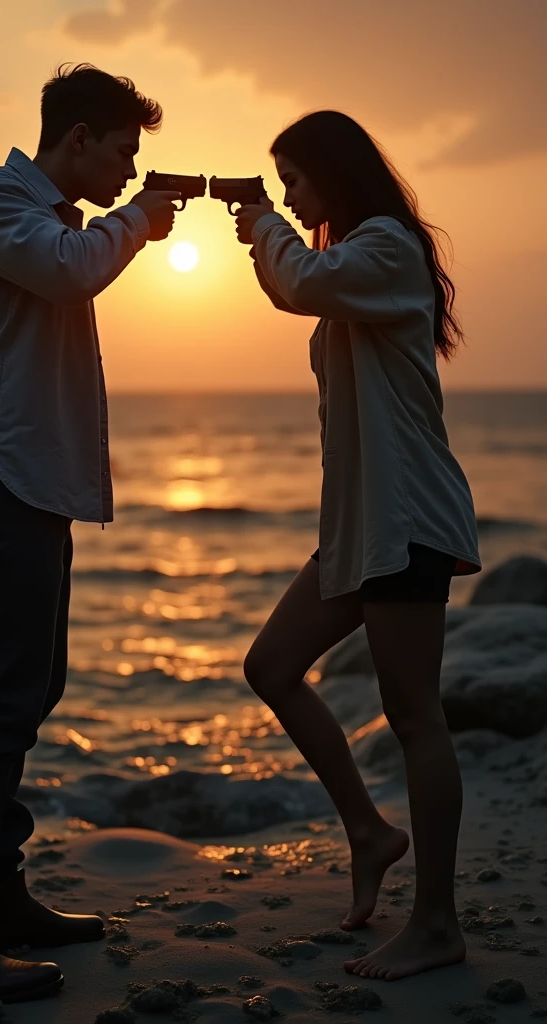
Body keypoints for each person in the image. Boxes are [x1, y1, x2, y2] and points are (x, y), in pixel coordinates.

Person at [0, 63, 180, 1004]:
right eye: (123, 152)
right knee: (1, 696)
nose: (129, 169)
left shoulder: (47, 216)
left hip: (26, 480)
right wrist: (142, 218)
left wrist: (129, 219)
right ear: (79, 139)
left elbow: (73, 266)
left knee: (28, 688)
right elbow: (72, 276)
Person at [234, 110, 481, 982]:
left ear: (334, 174)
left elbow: (296, 281)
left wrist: (260, 220)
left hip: (405, 518)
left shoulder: (382, 248)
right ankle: (372, 833)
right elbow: (293, 282)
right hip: (361, 529)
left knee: (415, 717)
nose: (292, 199)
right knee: (270, 667)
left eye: (295, 180)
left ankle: (438, 923)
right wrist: (264, 225)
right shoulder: (355, 259)